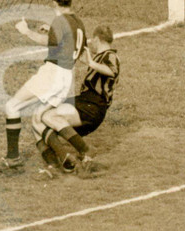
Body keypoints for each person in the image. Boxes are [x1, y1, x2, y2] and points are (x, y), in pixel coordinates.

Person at [0, 0, 86, 171]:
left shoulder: (59, 21)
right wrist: (52, 31)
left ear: (55, 3)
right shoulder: (78, 22)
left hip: (52, 74)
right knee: (38, 119)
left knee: (12, 106)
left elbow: (45, 42)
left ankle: (12, 157)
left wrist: (26, 31)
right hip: (66, 77)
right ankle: (63, 159)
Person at [32, 25, 120, 176]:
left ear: (97, 39)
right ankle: (56, 165)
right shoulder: (93, 54)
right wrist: (52, 30)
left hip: (93, 106)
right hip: (83, 102)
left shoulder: (110, 56)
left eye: (92, 41)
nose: (89, 43)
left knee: (48, 116)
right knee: (38, 119)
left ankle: (84, 151)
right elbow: (71, 40)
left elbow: (112, 71)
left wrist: (91, 63)